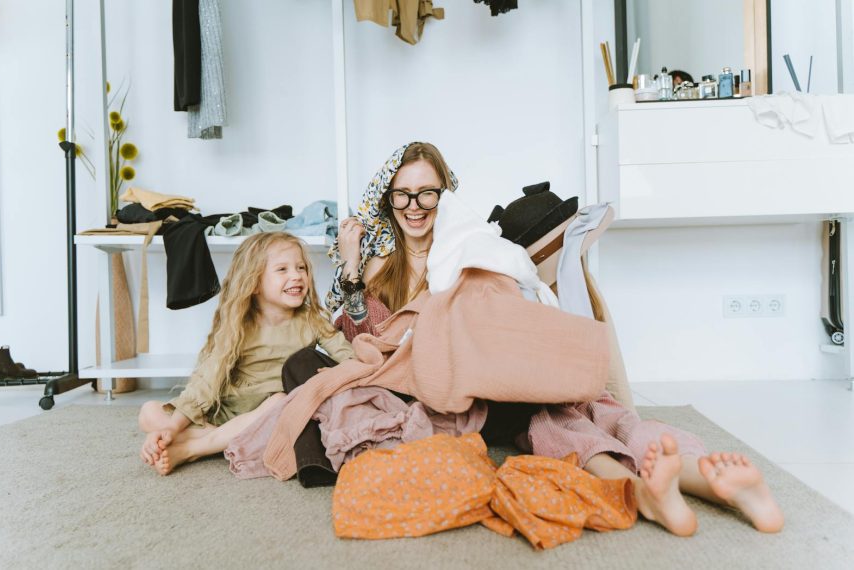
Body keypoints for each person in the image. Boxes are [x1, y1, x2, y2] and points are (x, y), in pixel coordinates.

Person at [326, 141, 784, 536]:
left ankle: (700, 477)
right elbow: (368, 344)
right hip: (453, 391)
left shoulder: (471, 243)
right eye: (403, 194)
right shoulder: (379, 267)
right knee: (549, 417)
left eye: (426, 192)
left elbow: (504, 302)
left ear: (444, 194)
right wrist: (350, 267)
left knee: (590, 408)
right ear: (389, 198)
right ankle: (650, 489)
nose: (414, 206)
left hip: (500, 370)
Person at [137, 231, 354, 475]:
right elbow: (208, 378)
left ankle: (192, 448)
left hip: (269, 413)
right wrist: (174, 426)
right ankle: (216, 437)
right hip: (225, 409)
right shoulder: (238, 324)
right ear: (254, 282)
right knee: (149, 412)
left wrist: (337, 375)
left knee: (281, 401)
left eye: (301, 268)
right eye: (282, 270)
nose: (296, 276)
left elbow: (346, 355)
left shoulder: (313, 319)